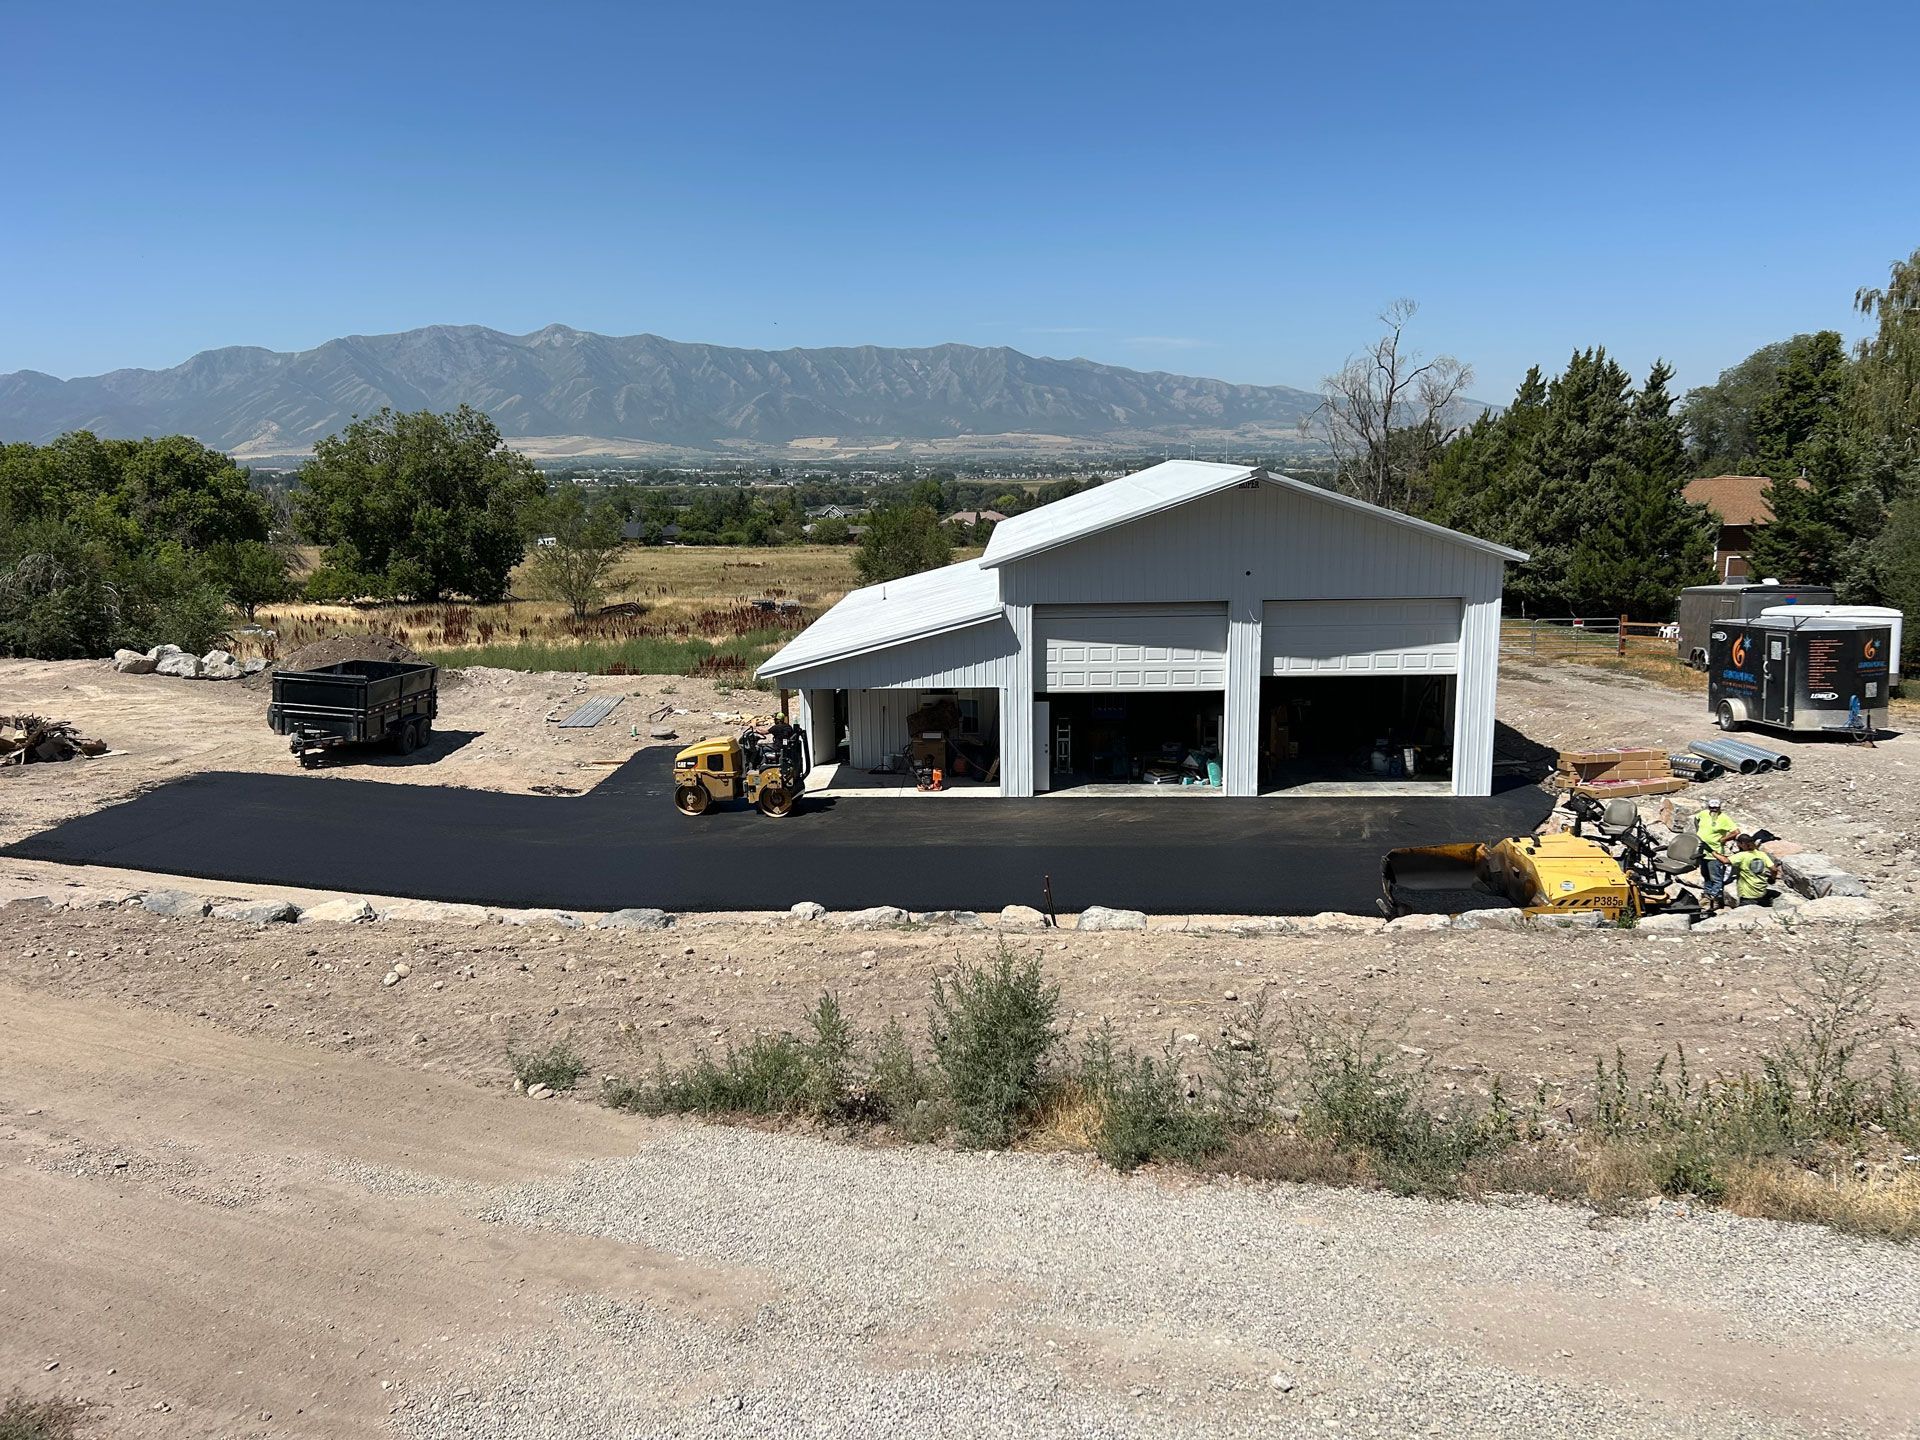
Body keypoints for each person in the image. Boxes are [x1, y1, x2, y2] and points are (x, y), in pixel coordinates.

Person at [1694, 797, 1740, 913]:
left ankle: (1715, 900)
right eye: (1711, 808)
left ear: (1719, 808)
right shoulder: (1703, 814)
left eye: (1716, 808)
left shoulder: (1724, 818)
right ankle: (1706, 898)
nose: (1713, 810)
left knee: (1716, 878)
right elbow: (1696, 819)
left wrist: (1723, 839)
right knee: (1705, 875)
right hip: (1702, 852)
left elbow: (1736, 832)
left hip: (1715, 853)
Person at [1728, 834, 1779, 907]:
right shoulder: (1761, 854)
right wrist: (1772, 879)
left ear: (1742, 844)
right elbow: (1774, 869)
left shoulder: (1742, 855)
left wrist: (1712, 851)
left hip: (1747, 895)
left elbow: (1725, 860)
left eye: (1738, 844)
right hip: (1761, 893)